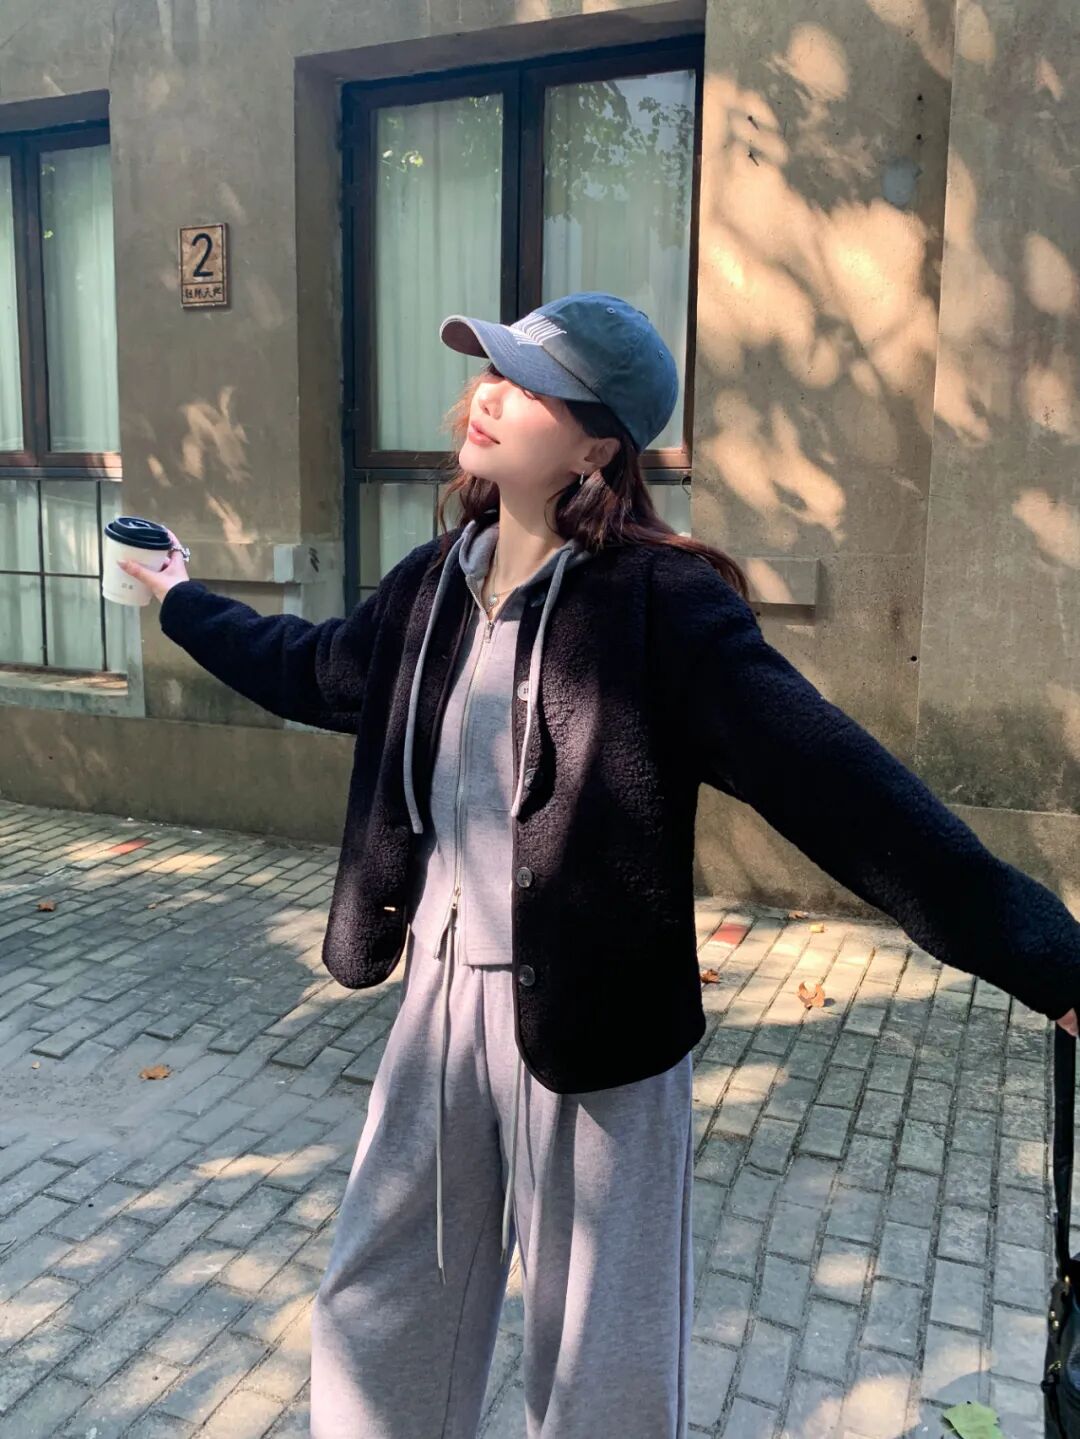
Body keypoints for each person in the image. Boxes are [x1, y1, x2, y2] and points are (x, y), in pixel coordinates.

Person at [122, 291, 1080, 1439]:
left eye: (526, 384)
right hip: (438, 1013)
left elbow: (845, 790)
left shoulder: (659, 608)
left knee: (600, 1367)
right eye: (491, 368)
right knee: (376, 1308)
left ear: (595, 447)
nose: (487, 394)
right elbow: (312, 666)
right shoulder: (433, 584)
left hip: (601, 1035)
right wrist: (180, 597)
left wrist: (1050, 960)